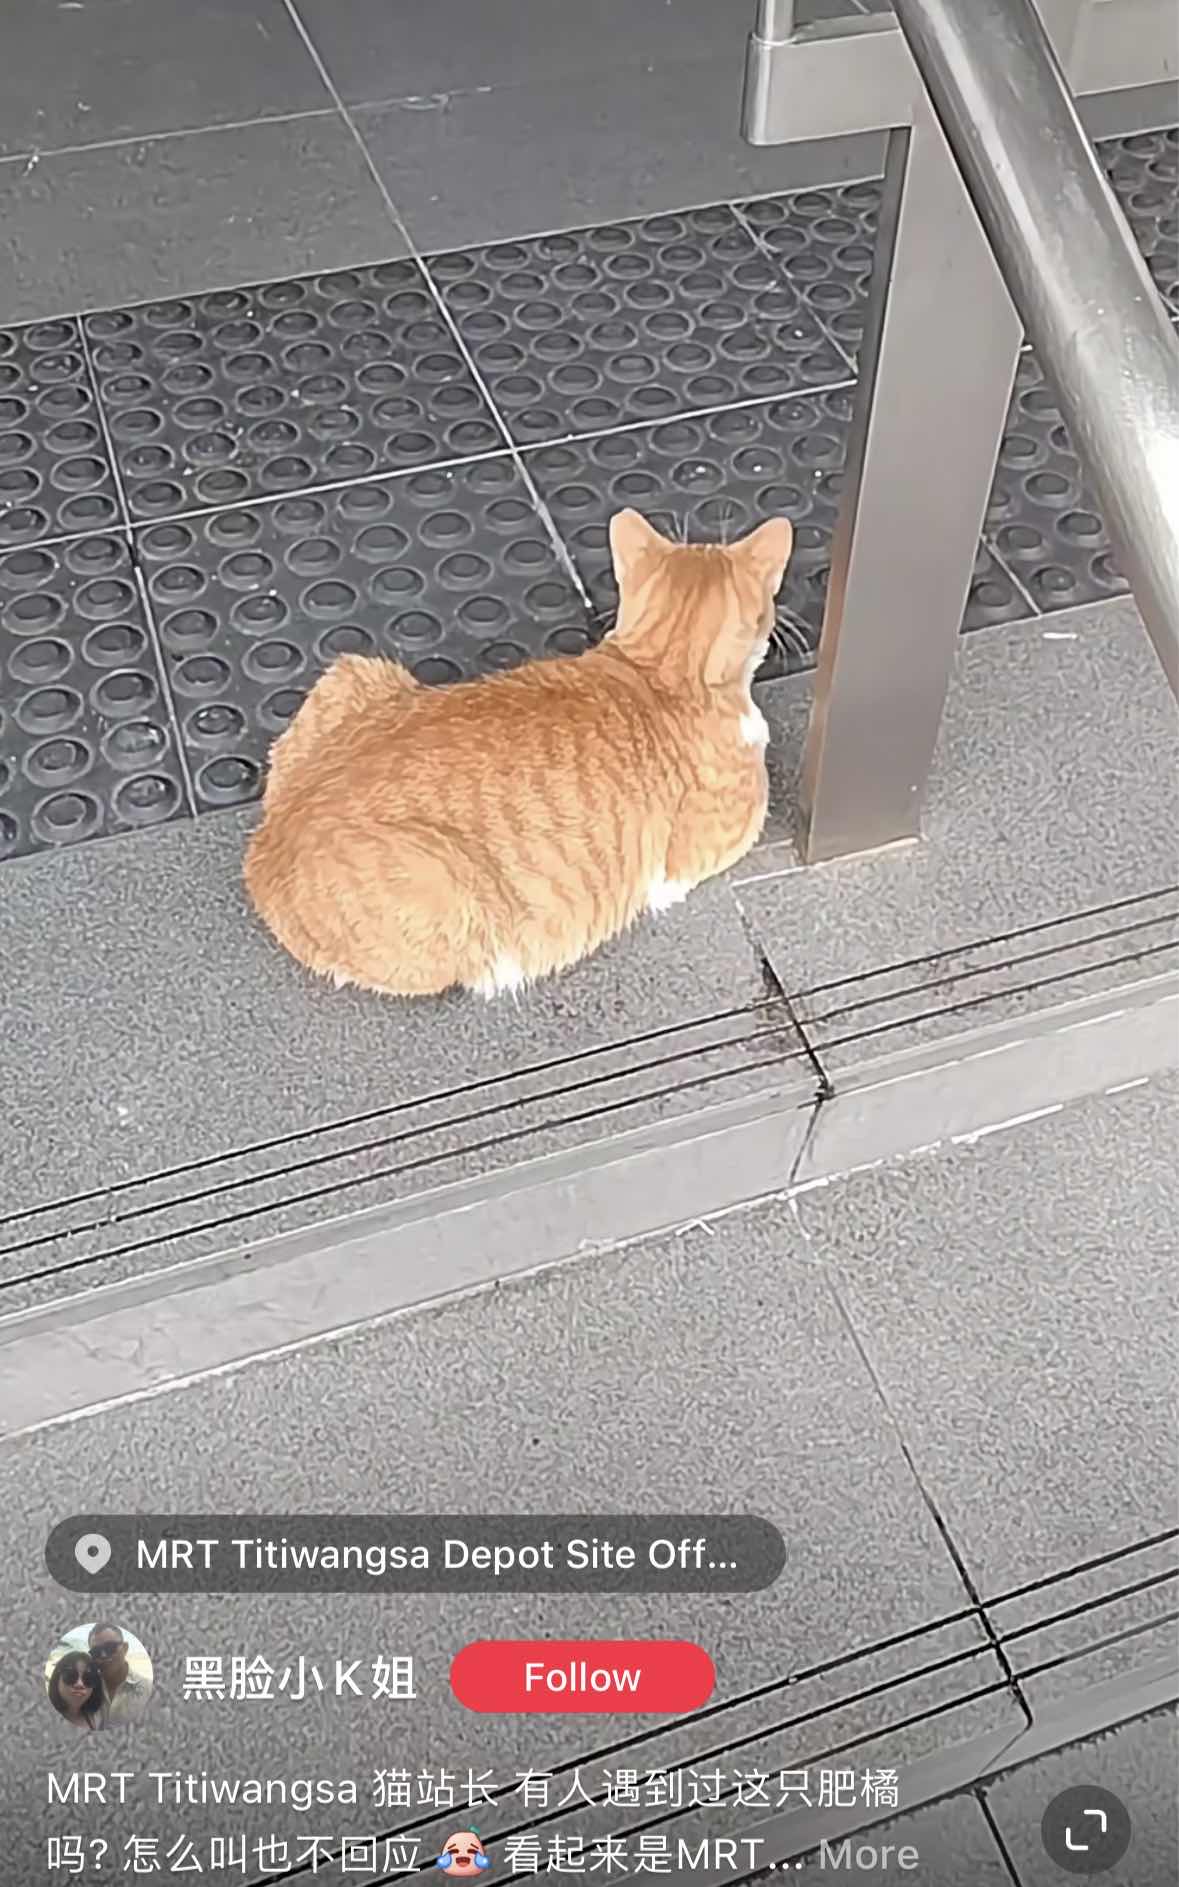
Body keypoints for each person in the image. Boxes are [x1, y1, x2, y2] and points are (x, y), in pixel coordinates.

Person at [88, 1624, 151, 1726]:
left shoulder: (147, 1689)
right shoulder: (86, 1695)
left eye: (110, 1648)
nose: (104, 1655)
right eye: (96, 1652)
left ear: (125, 1648)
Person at [47, 1653, 105, 1732]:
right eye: (70, 1676)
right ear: (57, 1679)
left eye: (88, 1678)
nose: (80, 1684)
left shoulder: (97, 1719)